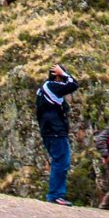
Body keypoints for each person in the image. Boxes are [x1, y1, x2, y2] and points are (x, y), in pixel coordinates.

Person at [36, 63, 79, 205]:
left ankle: (55, 194)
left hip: (50, 131)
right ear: (58, 76)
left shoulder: (45, 89)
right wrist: (64, 73)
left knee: (60, 161)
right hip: (54, 131)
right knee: (61, 162)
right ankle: (55, 195)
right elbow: (73, 84)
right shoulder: (51, 87)